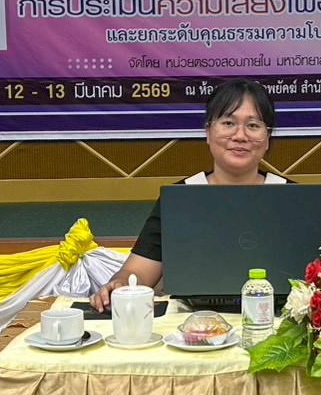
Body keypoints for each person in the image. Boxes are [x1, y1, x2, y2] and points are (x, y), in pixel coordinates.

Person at [91, 79, 287, 311]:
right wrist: (120, 284)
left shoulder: (293, 198)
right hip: (189, 324)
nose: (240, 135)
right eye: (228, 123)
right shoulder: (179, 198)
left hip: (277, 322)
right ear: (208, 132)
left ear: (268, 137)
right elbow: (137, 272)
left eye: (253, 125)